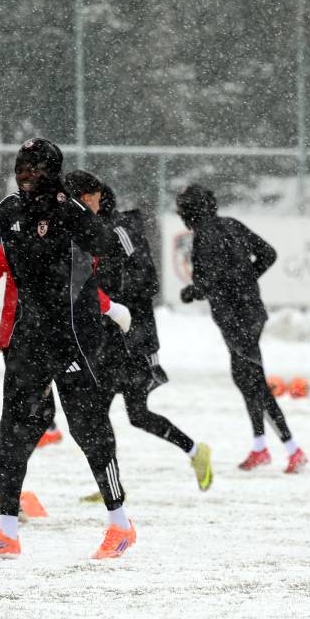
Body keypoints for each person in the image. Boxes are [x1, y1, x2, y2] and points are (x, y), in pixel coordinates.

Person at [0, 138, 137, 559]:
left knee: (87, 429)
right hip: (29, 334)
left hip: (73, 334)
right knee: (15, 427)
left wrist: (88, 277)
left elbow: (107, 245)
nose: (24, 174)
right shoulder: (14, 207)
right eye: (20, 167)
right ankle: (6, 533)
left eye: (32, 168)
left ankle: (120, 523)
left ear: (52, 170)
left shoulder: (67, 207)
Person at [68, 171, 213, 496]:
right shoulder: (91, 234)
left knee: (137, 414)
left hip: (134, 339)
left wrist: (111, 294)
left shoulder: (121, 230)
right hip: (107, 338)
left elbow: (148, 281)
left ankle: (194, 450)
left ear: (96, 200)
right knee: (96, 414)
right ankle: (110, 482)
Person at [176, 184, 307, 473]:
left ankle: (293, 449)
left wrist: (192, 292)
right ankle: (260, 447)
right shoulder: (232, 225)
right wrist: (247, 279)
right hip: (252, 311)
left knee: (255, 382)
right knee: (245, 378)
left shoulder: (203, 238)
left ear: (189, 212)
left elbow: (210, 280)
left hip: (234, 318)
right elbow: (268, 254)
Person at [0, 244, 62, 448]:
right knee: (35, 383)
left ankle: (38, 428)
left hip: (26, 330)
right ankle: (43, 426)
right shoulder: (16, 240)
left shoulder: (15, 238)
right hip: (42, 328)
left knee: (26, 385)